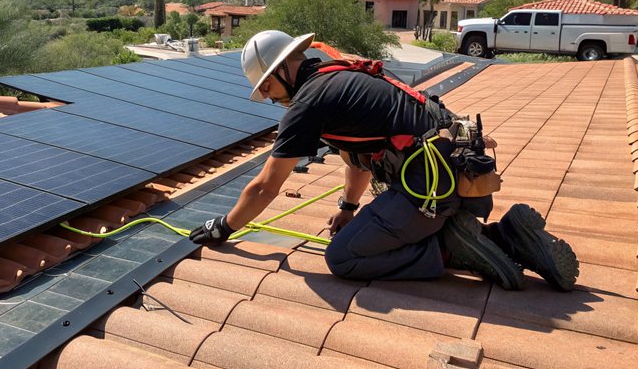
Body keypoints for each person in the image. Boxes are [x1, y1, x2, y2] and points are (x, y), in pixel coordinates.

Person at [189, 30, 578, 291]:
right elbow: (358, 158)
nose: (269, 97)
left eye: (267, 86)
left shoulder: (308, 102)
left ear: (285, 68)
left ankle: (448, 250)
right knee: (377, 229)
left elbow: (264, 187)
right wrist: (348, 207)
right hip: (460, 179)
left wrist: (224, 226)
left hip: (429, 193)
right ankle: (508, 237)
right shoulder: (341, 75)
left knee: (344, 258)